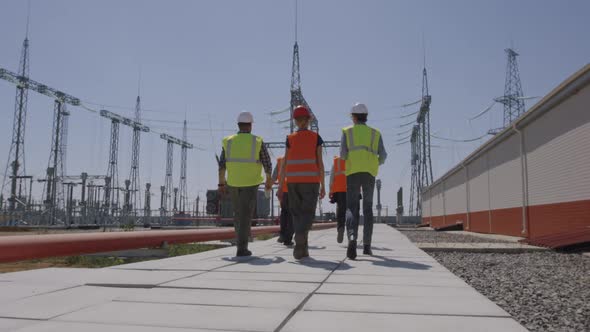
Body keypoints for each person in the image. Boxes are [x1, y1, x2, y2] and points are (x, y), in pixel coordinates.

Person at [218, 111, 273, 257]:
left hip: (233, 182)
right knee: (246, 215)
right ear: (250, 125)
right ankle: (242, 248)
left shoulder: (228, 141)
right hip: (250, 182)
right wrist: (268, 180)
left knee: (238, 215)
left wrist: (221, 184)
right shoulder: (257, 141)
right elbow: (267, 162)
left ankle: (241, 244)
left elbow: (222, 165)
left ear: (238, 125)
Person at [278, 105, 325, 260]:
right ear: (308, 119)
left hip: (292, 182)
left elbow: (284, 163)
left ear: (296, 121)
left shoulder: (289, 138)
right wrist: (324, 185)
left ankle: (302, 249)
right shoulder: (315, 137)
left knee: (296, 213)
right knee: (307, 214)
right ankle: (299, 237)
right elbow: (320, 163)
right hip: (311, 181)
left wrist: (280, 186)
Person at [340, 103, 387, 259]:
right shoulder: (375, 133)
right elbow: (383, 156)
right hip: (369, 174)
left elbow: (343, 155)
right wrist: (374, 163)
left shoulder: (347, 132)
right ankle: (367, 246)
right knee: (368, 209)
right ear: (366, 116)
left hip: (352, 172)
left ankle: (352, 237)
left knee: (352, 208)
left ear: (353, 116)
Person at [272, 155, 293, 246]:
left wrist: (269, 186)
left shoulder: (280, 160)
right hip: (293, 190)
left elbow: (274, 176)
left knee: (284, 213)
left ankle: (282, 235)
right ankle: (287, 238)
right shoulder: (296, 157)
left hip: (283, 190)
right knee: (292, 214)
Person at [329, 156, 347, 243]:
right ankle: (351, 232)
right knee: (352, 211)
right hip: (351, 189)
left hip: (339, 189)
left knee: (340, 211)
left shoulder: (337, 161)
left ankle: (341, 228)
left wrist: (330, 190)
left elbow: (332, 176)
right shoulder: (353, 157)